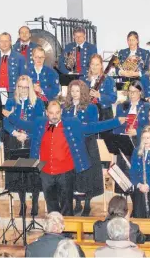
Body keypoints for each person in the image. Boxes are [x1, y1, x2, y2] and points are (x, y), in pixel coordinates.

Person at [3, 101, 124, 215]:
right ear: (46, 113)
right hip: (46, 172)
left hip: (65, 173)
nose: (54, 116)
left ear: (61, 112)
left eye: (57, 113)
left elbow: (94, 127)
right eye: (51, 113)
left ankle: (67, 233)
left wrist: (117, 121)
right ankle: (54, 233)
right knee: (51, 205)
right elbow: (22, 124)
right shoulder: (39, 123)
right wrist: (9, 115)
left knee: (67, 207)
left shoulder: (72, 124)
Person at [3, 75, 45, 216]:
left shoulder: (37, 103)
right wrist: (15, 133)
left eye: (26, 87)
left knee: (33, 173)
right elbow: (6, 122)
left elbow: (39, 125)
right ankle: (22, 203)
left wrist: (27, 135)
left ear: (30, 87)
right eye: (20, 87)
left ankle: (34, 203)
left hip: (31, 140)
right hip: (15, 140)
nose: (23, 90)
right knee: (19, 173)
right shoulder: (10, 102)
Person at [62, 80, 103, 216]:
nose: (74, 94)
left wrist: (81, 128)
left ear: (83, 92)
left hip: (87, 144)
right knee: (73, 174)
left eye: (77, 91)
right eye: (72, 91)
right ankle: (77, 203)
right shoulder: (66, 107)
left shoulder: (91, 107)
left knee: (87, 174)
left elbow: (93, 126)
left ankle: (87, 204)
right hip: (71, 145)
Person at [112, 80, 150, 194]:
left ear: (140, 92)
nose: (132, 94)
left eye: (134, 92)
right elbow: (116, 125)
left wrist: (137, 131)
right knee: (121, 162)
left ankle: (135, 191)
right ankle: (123, 192)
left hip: (139, 141)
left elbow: (149, 126)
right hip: (124, 140)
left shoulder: (146, 106)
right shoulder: (121, 106)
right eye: (130, 92)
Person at [83, 53, 117, 120]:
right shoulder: (84, 80)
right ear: (90, 65)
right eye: (92, 64)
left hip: (105, 114)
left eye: (97, 64)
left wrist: (99, 96)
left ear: (101, 65)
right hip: (88, 113)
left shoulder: (109, 80)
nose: (94, 67)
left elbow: (113, 98)